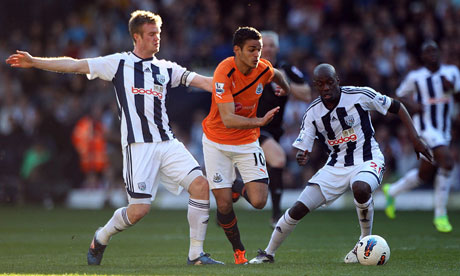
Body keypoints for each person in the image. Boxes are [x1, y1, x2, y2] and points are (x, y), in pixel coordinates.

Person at [6, 10, 223, 266]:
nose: (157, 38)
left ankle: (196, 255)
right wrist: (35, 62)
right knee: (139, 210)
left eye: (159, 33)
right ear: (136, 37)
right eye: (152, 34)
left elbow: (207, 82)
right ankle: (101, 236)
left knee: (200, 185)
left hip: (167, 143)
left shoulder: (165, 68)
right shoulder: (119, 63)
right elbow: (76, 65)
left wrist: (236, 81)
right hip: (138, 147)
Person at [248, 63, 432, 264]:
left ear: (337, 81)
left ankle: (363, 241)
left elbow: (398, 107)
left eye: (329, 82)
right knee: (297, 209)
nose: (325, 88)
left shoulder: (359, 95)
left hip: (368, 159)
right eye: (320, 84)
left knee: (360, 188)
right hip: (335, 166)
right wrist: (303, 155)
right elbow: (304, 146)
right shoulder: (313, 112)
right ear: (316, 86)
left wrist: (415, 139)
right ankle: (268, 253)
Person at [201, 26, 290, 264]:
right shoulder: (224, 71)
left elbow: (277, 75)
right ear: (237, 50)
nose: (257, 55)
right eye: (251, 50)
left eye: (259, 50)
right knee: (223, 204)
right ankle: (239, 251)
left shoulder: (263, 68)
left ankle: (236, 186)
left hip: (247, 141)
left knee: (260, 201)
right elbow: (228, 119)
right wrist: (259, 121)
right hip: (216, 141)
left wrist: (286, 88)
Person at [382, 40, 460, 233]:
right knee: (448, 162)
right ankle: (440, 214)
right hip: (424, 129)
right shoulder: (416, 77)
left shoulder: (452, 72)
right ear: (422, 57)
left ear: (440, 53)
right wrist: (413, 105)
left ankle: (392, 191)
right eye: (427, 51)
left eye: (434, 50)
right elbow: (399, 96)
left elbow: (458, 97)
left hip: (443, 130)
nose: (431, 54)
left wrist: (452, 89)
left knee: (424, 174)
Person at [257, 31, 311, 228]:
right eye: (265, 45)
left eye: (272, 45)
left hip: (275, 130)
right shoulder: (249, 69)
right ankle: (277, 216)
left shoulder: (285, 69)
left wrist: (285, 84)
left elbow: (306, 93)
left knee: (267, 173)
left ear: (277, 48)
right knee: (278, 159)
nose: (268, 48)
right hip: (252, 127)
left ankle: (230, 200)